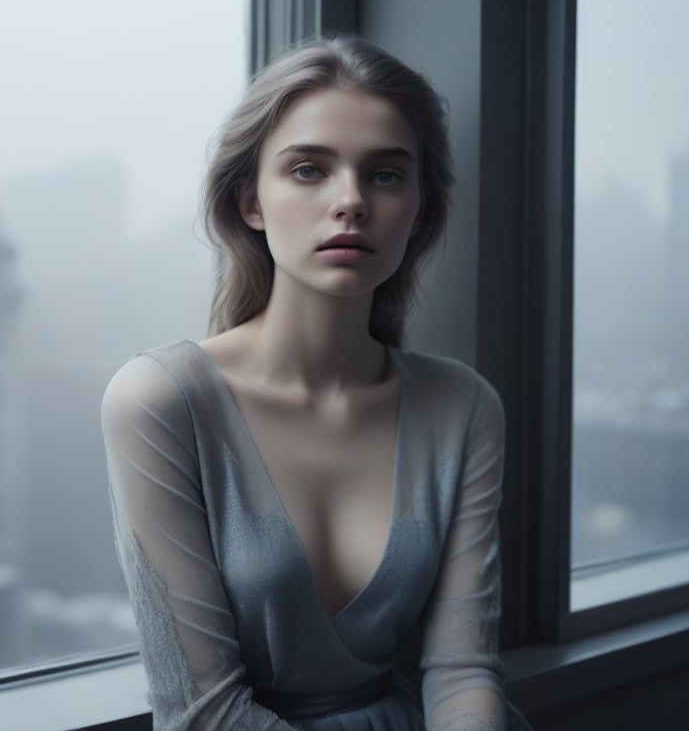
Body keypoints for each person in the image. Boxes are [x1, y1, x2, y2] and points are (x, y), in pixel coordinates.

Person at [101, 36, 526, 730]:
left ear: (418, 209)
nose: (351, 202)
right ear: (250, 203)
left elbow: (463, 670)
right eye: (308, 171)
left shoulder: (464, 407)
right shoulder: (159, 402)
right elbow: (203, 714)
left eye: (386, 175)